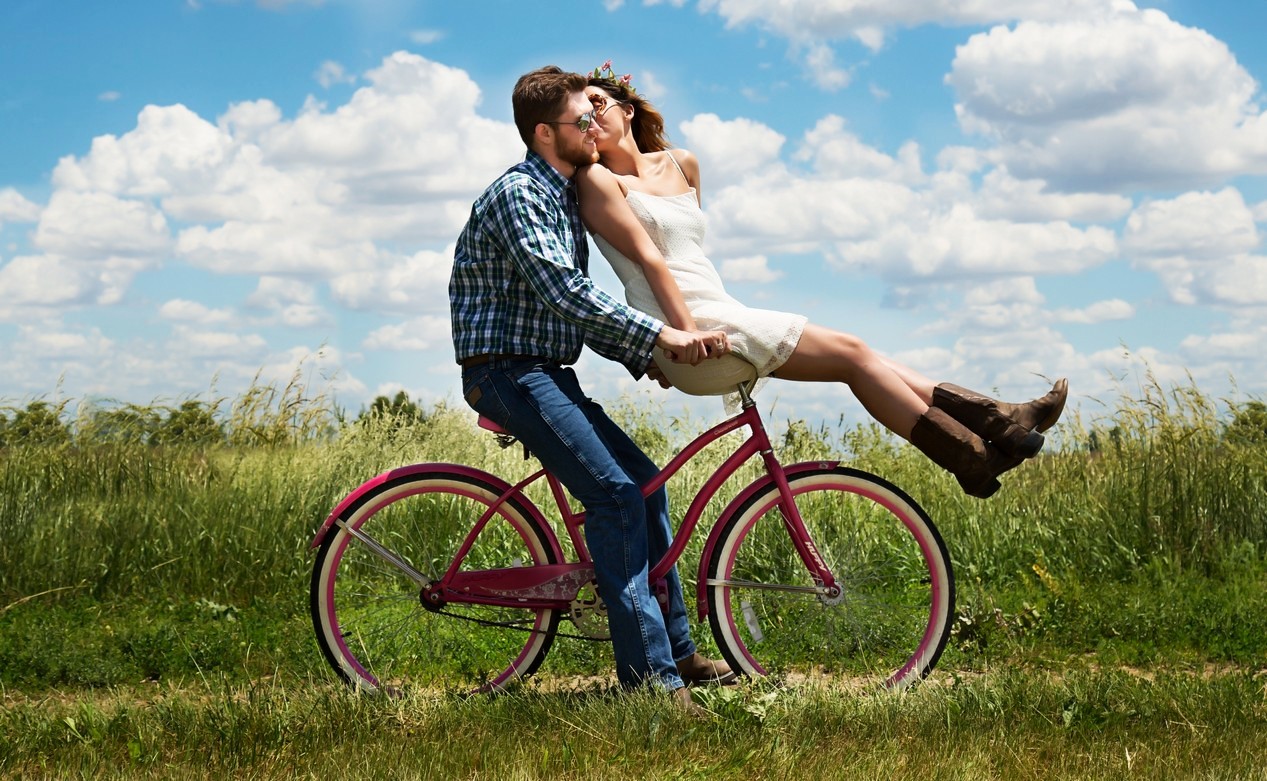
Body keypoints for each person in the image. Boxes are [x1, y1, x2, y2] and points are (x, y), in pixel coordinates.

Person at [574, 63, 1068, 499]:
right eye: (579, 116)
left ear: (628, 109)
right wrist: (679, 337)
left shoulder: (683, 164)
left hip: (717, 310)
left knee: (862, 356)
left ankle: (995, 429)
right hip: (689, 329)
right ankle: (979, 447)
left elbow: (690, 257)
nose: (590, 119)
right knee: (854, 355)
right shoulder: (599, 181)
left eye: (597, 104)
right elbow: (652, 264)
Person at [449, 66, 736, 712]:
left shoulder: (560, 197)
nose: (594, 128)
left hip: (546, 369)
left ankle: (679, 651)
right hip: (506, 371)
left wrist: (644, 357)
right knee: (614, 498)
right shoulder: (521, 194)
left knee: (645, 484)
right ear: (546, 132)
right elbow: (566, 293)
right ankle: (650, 683)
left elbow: (569, 313)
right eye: (584, 119)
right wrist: (661, 338)